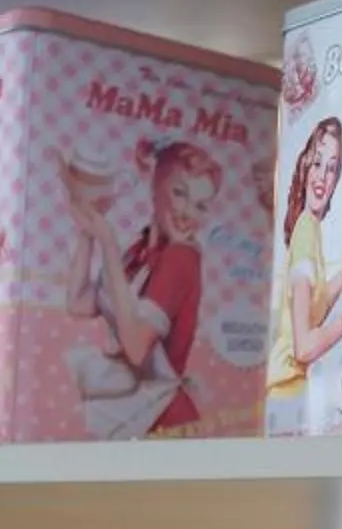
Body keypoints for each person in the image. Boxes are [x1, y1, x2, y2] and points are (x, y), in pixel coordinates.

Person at [61, 137, 224, 439]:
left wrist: (108, 242)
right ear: (155, 187)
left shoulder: (180, 258)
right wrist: (88, 235)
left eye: (200, 205)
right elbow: (79, 302)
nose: (188, 212)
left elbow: (136, 348)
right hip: (138, 412)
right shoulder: (140, 250)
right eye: (179, 193)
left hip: (164, 421)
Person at [269, 115, 342, 404]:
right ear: (304, 166)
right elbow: (304, 348)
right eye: (317, 163)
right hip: (284, 386)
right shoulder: (304, 234)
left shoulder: (310, 229)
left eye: (332, 168)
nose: (322, 177)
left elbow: (320, 302)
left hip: (289, 388)